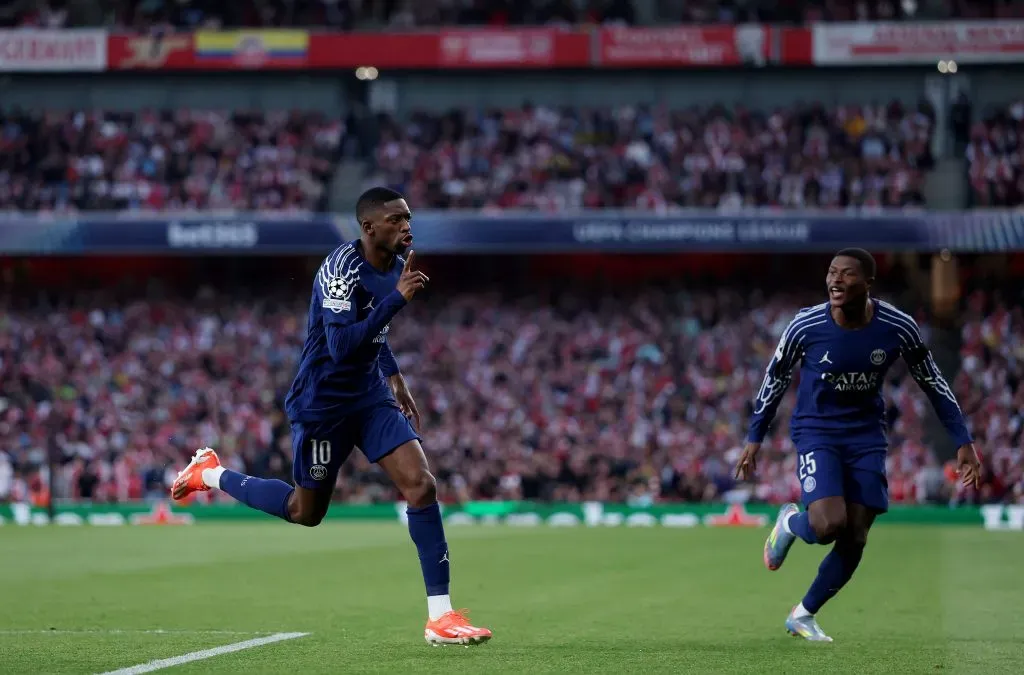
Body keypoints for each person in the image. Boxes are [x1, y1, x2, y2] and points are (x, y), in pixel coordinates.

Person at [171, 187, 492, 647]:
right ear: (369, 228)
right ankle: (213, 473)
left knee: (421, 485)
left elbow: (373, 334)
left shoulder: (397, 267)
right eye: (397, 220)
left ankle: (439, 617)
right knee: (306, 512)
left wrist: (394, 375)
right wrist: (397, 300)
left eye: (409, 218)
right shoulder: (340, 272)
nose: (407, 227)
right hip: (322, 404)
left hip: (368, 396)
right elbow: (341, 347)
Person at [735, 248, 981, 642]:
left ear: (868, 283)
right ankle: (790, 523)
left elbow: (932, 381)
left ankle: (803, 614)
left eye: (847, 274)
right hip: (817, 430)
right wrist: (754, 437)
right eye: (832, 272)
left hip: (866, 435)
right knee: (829, 524)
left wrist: (962, 440)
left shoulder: (898, 327)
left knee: (857, 536)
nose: (835, 280)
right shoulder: (805, 325)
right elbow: (775, 378)